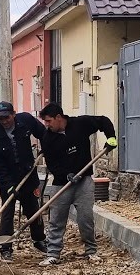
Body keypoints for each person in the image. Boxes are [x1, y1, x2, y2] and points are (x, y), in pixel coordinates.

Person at [36, 103, 117, 264]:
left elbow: (103, 121)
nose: (47, 125)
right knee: (56, 219)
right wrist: (66, 174)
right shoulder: (48, 138)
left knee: (86, 218)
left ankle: (91, 251)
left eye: (49, 121)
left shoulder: (80, 124)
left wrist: (111, 137)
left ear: (59, 117)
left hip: (84, 181)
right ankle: (53, 254)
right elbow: (52, 164)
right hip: (62, 184)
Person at [0, 101, 48, 261]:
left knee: (33, 210)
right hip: (9, 178)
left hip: (28, 174)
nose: (4, 121)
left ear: (13, 114)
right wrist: (8, 187)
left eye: (7, 117)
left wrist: (47, 147)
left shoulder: (25, 120)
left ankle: (39, 240)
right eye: (0, 118)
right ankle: (5, 247)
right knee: (7, 213)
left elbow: (43, 133)